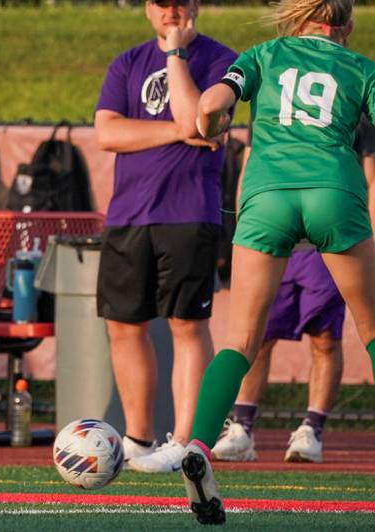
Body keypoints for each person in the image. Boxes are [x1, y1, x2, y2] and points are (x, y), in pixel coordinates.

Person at [181, 0, 375, 524]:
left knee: (241, 339)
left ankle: (198, 445)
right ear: (347, 27)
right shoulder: (361, 67)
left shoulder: (265, 52)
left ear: (297, 19)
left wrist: (212, 125)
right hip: (334, 190)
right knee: (371, 327)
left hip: (266, 194)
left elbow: (210, 104)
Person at [93, 0, 237, 472]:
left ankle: (184, 441)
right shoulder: (126, 62)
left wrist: (176, 57)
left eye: (179, 3)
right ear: (148, 9)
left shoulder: (219, 60)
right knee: (124, 325)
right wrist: (178, 132)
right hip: (129, 213)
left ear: (195, 5)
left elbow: (203, 121)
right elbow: (108, 132)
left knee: (186, 325)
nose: (170, 11)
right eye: (160, 4)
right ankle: (138, 437)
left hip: (188, 211)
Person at [213, 117, 375, 464]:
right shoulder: (272, 104)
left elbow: (370, 176)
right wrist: (242, 231)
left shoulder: (351, 103)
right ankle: (241, 427)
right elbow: (249, 168)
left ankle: (312, 428)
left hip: (327, 240)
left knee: (324, 338)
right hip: (275, 235)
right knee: (257, 335)